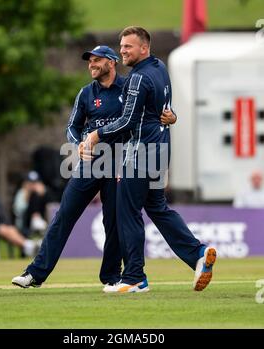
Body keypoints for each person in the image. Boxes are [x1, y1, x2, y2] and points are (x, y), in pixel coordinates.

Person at [11, 45, 176, 289]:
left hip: (121, 163)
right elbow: (72, 127)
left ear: (111, 63)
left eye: (97, 60)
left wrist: (172, 116)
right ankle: (35, 273)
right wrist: (78, 145)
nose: (91, 65)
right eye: (90, 61)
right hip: (91, 164)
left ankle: (111, 277)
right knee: (64, 215)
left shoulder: (129, 87)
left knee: (113, 222)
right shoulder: (86, 93)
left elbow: (153, 113)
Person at [85, 27, 216, 293]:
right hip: (160, 151)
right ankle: (198, 254)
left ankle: (134, 277)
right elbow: (163, 110)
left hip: (140, 153)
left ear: (144, 48)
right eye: (121, 46)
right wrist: (173, 117)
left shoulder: (137, 78)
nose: (123, 51)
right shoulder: (160, 68)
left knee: (127, 211)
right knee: (157, 208)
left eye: (128, 47)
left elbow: (128, 121)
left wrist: (96, 134)